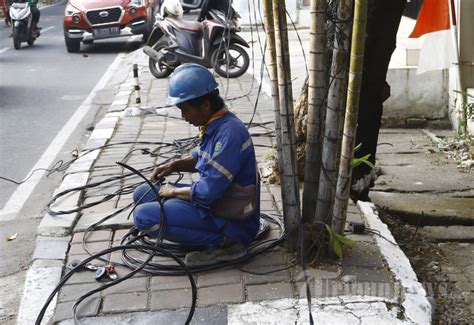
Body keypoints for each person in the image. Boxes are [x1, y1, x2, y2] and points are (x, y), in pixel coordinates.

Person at [132, 63, 260, 266]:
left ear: (206, 105)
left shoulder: (229, 134)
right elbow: (199, 159)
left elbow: (207, 192)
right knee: (142, 194)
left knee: (143, 217)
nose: (183, 117)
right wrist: (174, 165)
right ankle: (189, 223)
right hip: (217, 202)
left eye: (185, 109)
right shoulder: (216, 124)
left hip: (231, 219)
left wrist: (173, 192)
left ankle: (227, 244)